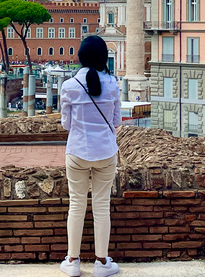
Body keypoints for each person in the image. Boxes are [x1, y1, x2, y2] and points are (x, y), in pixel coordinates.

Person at [59, 35, 121, 277]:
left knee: (76, 205)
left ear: (81, 57)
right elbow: (116, 121)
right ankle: (102, 263)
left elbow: (66, 124)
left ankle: (73, 261)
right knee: (101, 206)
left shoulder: (69, 86)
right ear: (104, 58)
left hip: (77, 152)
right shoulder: (113, 84)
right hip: (106, 152)